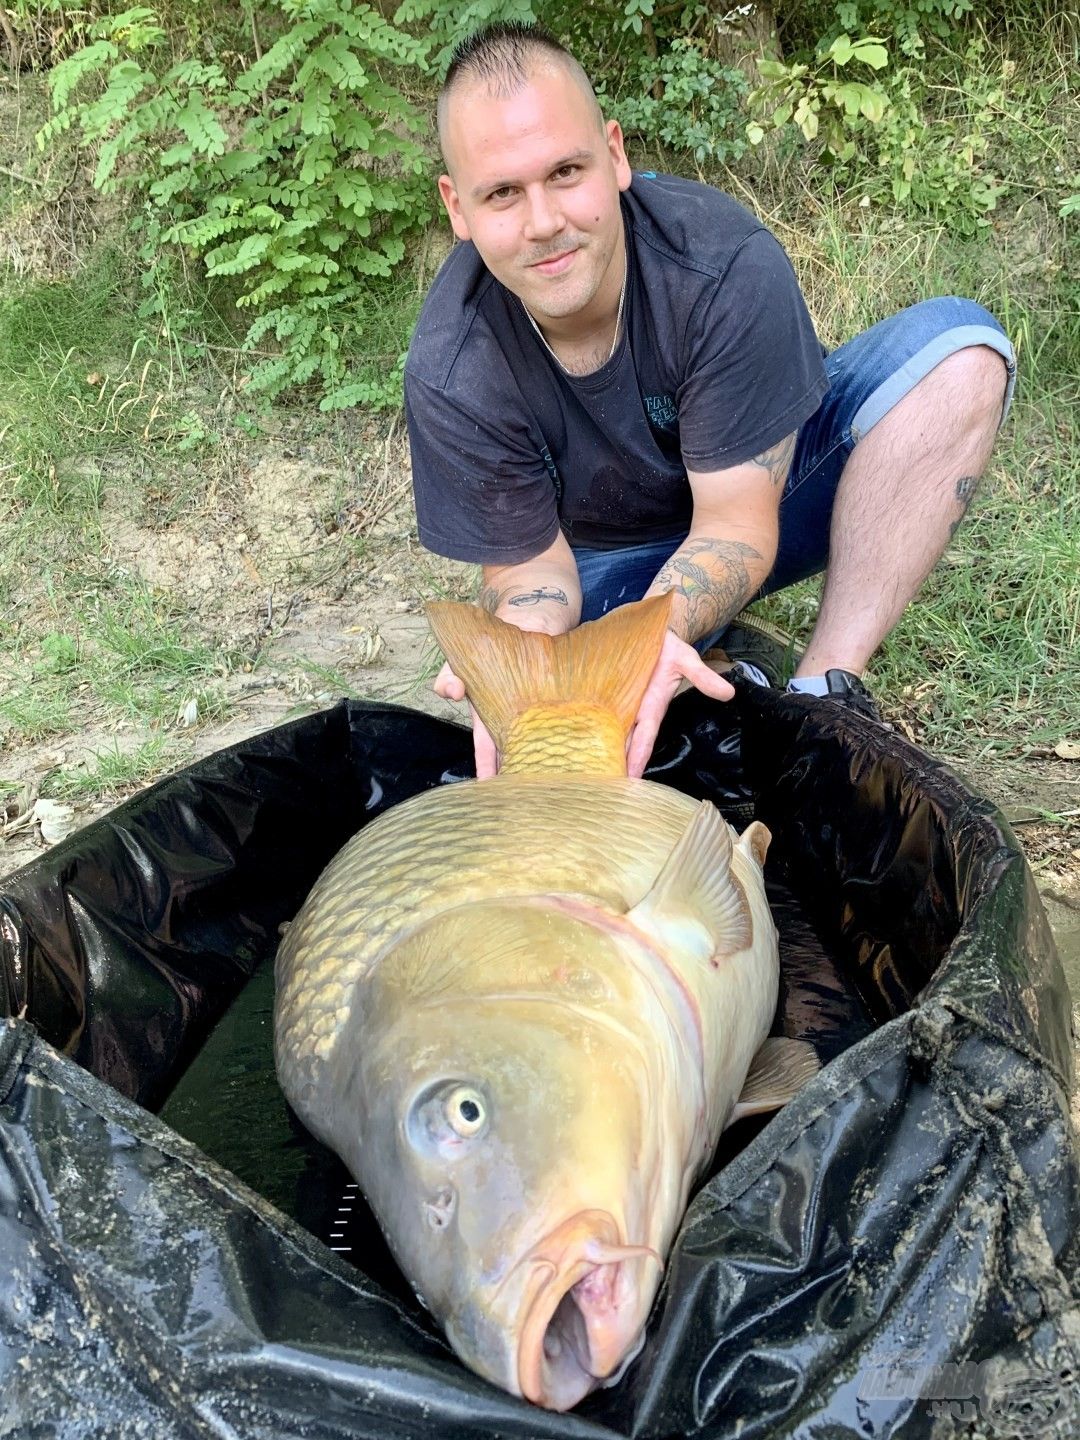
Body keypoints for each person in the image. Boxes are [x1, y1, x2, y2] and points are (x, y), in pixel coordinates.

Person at [404, 21, 1015, 778]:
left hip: (763, 491)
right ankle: (704, 664)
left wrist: (649, 636)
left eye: (566, 172)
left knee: (962, 353)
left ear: (616, 156)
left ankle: (825, 689)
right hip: (606, 563)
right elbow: (530, 571)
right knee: (553, 701)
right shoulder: (451, 361)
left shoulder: (721, 264)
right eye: (502, 193)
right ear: (456, 209)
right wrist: (520, 647)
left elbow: (734, 524)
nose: (544, 222)